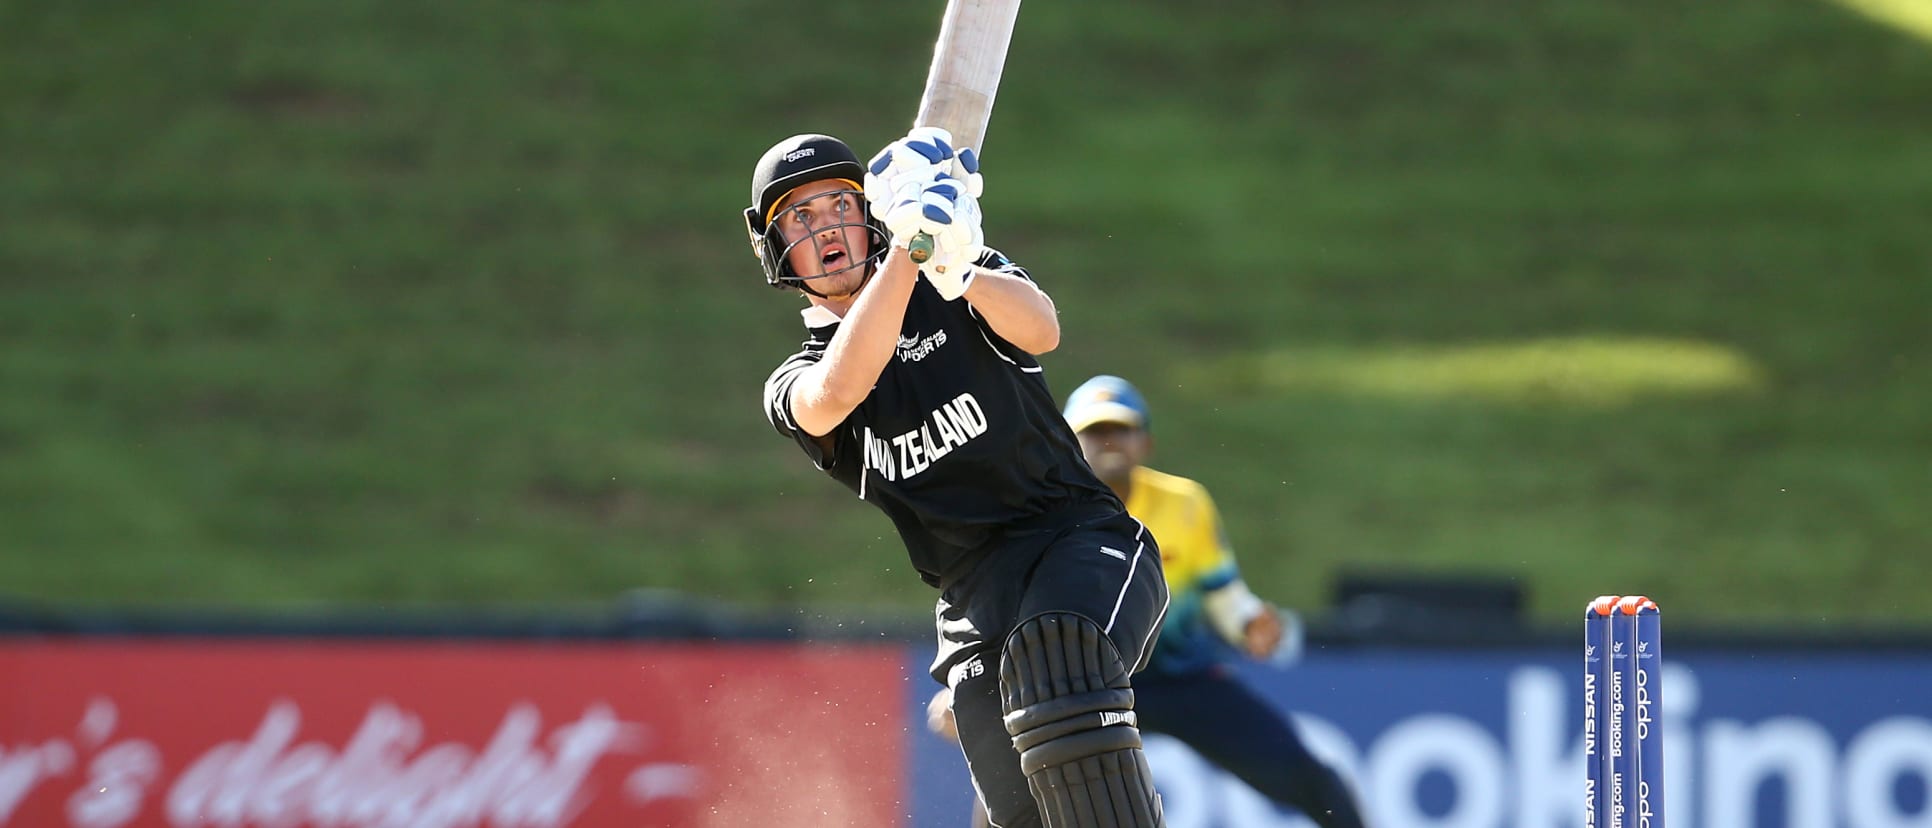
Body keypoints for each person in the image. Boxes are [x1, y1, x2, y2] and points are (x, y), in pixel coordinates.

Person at [747, 129, 1171, 828]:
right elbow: (836, 393)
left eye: (837, 205)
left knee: (1057, 656)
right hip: (971, 602)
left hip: (1077, 539)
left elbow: (1043, 330)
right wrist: (911, 256)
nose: (825, 227)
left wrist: (959, 268)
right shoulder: (793, 380)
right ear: (773, 246)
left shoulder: (952, 275)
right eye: (801, 215)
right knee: (1017, 813)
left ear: (868, 213)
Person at [930, 375, 1369, 828]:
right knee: (1011, 797)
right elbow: (1003, 611)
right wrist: (967, 689)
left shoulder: (1185, 503)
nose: (1109, 441)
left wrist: (1249, 623)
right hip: (1080, 678)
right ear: (1063, 442)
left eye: (1121, 429)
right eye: (1094, 431)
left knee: (1313, 778)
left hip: (1182, 679)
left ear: (1147, 443)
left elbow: (1223, 594)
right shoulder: (1035, 510)